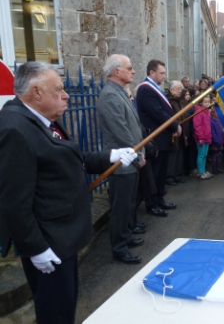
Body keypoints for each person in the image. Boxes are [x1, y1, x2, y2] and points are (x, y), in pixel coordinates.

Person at [0, 61, 137, 323]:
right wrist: (36, 249)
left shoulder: (42, 119)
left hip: (63, 237)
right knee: (56, 314)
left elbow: (68, 158)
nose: (67, 95)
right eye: (60, 89)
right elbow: (13, 201)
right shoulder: (14, 128)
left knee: (65, 307)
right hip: (49, 242)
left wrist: (111, 156)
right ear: (37, 92)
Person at [97, 54, 146, 264]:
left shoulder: (119, 93)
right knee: (120, 208)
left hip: (131, 159)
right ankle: (119, 248)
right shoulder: (109, 96)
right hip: (122, 163)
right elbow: (121, 132)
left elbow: (133, 125)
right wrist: (137, 156)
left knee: (127, 205)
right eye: (130, 67)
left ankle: (125, 237)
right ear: (117, 71)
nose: (133, 71)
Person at [135, 59, 181, 215]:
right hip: (154, 139)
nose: (164, 76)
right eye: (161, 73)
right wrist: (175, 125)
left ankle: (160, 199)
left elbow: (164, 111)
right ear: (151, 73)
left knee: (161, 172)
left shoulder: (155, 89)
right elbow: (157, 113)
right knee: (153, 173)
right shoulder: (145, 89)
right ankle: (152, 203)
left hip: (163, 138)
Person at [165, 80, 185, 186]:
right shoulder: (169, 101)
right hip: (173, 131)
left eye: (180, 89)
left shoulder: (179, 101)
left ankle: (177, 174)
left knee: (179, 153)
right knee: (172, 155)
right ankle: (170, 176)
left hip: (181, 130)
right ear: (171, 90)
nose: (180, 91)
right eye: (178, 89)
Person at [193, 94, 213, 180]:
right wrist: (200, 137)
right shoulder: (199, 111)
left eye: (208, 101)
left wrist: (209, 136)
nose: (207, 103)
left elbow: (208, 125)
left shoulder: (207, 111)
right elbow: (197, 126)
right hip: (201, 138)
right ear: (201, 102)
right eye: (205, 102)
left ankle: (203, 170)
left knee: (204, 155)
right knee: (201, 155)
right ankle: (200, 173)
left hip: (207, 137)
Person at [210, 106, 224, 174]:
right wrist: (216, 140)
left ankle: (218, 168)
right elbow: (213, 132)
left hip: (220, 139)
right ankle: (214, 169)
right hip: (215, 141)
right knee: (214, 155)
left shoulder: (218, 119)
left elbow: (221, 130)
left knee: (219, 155)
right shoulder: (211, 120)